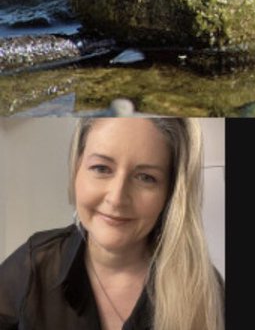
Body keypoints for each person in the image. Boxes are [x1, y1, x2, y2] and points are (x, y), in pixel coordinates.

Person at [0, 117, 224, 330]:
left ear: (171, 193)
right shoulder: (33, 266)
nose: (117, 198)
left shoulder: (203, 289)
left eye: (145, 177)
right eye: (101, 168)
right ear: (76, 169)